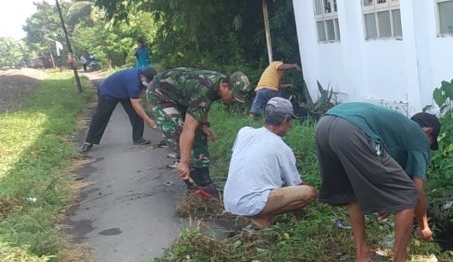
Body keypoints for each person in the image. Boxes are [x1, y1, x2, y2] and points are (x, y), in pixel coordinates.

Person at [314, 102, 440, 262]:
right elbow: (416, 190)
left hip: (324, 125)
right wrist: (423, 226)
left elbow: (380, 176)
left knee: (352, 189)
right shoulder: (418, 136)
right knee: (407, 193)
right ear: (427, 131)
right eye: (431, 143)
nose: (427, 148)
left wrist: (387, 199)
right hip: (352, 129)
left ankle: (362, 255)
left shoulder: (393, 130)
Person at [145, 67, 251, 196]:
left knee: (200, 133)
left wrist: (204, 124)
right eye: (234, 96)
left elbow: (203, 105)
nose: (234, 100)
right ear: (225, 86)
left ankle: (205, 182)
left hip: (182, 95)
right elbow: (188, 128)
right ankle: (192, 183)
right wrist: (184, 161)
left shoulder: (219, 84)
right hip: (160, 93)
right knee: (178, 134)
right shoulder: (206, 88)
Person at [223, 97, 318, 228]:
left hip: (229, 202)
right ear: (285, 120)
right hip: (251, 205)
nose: (290, 126)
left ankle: (255, 214)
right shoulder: (282, 148)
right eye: (290, 122)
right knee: (309, 193)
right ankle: (262, 217)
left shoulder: (244, 132)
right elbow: (296, 184)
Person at [80, 67, 159, 153]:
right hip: (108, 92)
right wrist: (148, 120)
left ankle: (138, 138)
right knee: (101, 116)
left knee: (136, 113)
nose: (148, 83)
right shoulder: (133, 82)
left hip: (124, 92)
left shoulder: (144, 74)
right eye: (147, 81)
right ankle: (89, 142)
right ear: (141, 76)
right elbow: (137, 106)